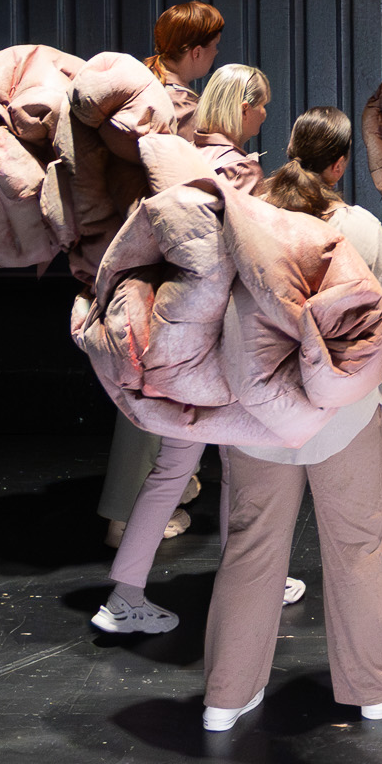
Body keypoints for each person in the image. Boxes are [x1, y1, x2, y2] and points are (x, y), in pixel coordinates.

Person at [199, 107, 382, 734]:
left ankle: (226, 695)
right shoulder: (359, 228)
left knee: (250, 547)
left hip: (255, 419)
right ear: (339, 165)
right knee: (357, 548)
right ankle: (377, 687)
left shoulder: (244, 219)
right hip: (343, 419)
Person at [90, 56, 273, 635]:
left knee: (170, 471)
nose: (265, 116)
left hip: (178, 343)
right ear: (243, 107)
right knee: (241, 467)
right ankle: (247, 579)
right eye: (262, 106)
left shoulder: (185, 161)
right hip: (221, 350)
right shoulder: (237, 171)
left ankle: (124, 595)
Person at [104, 0, 230, 551]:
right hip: (162, 258)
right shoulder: (176, 107)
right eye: (214, 48)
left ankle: (167, 490)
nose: (216, 56)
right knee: (150, 378)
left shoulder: (139, 93)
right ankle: (125, 516)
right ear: (195, 51)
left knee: (148, 373)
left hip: (127, 251)